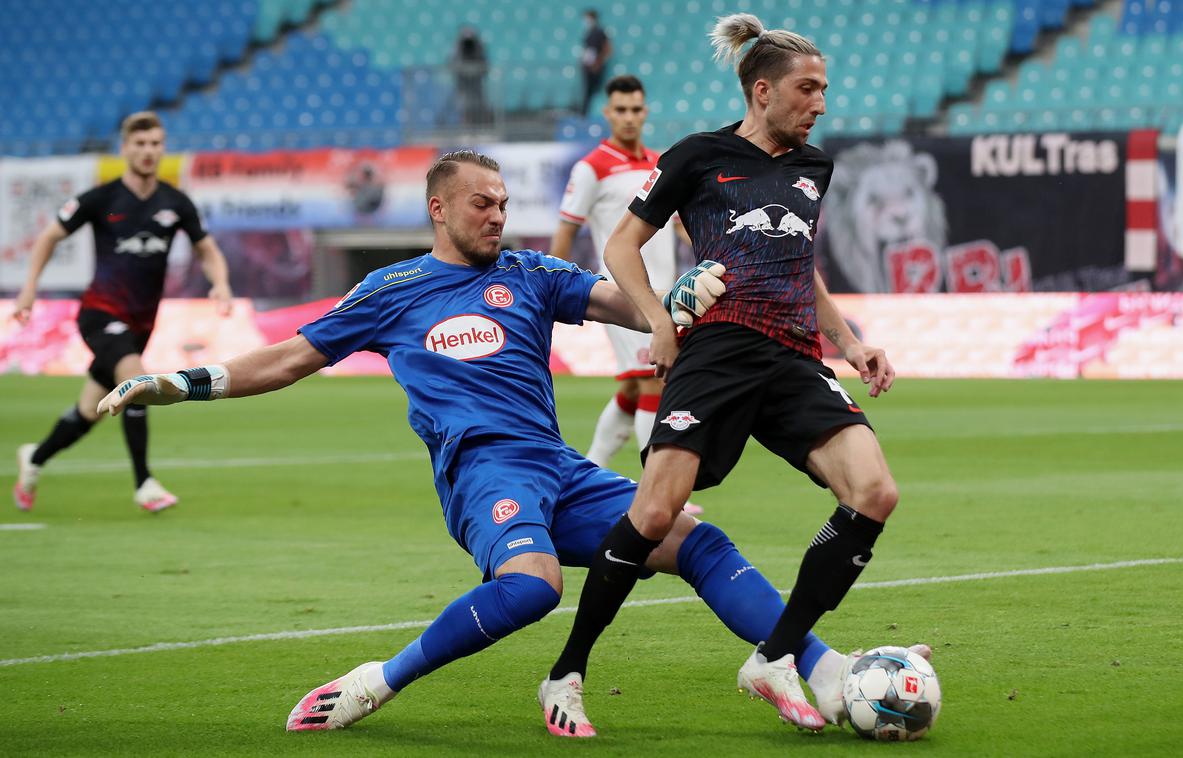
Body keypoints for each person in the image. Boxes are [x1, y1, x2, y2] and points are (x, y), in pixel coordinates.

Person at [96, 150, 857, 738]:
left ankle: (822, 669)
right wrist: (184, 382)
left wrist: (670, 304)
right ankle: (376, 681)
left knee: (697, 539)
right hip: (483, 472)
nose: (497, 216)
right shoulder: (391, 292)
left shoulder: (531, 272)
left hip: (558, 469)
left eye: (502, 203)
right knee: (534, 587)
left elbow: (616, 302)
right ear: (439, 209)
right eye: (481, 204)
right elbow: (289, 358)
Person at [539, 13, 908, 734]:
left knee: (875, 492)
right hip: (715, 353)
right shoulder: (698, 157)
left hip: (795, 356)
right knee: (651, 516)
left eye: (826, 89)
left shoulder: (815, 167)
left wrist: (850, 341)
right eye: (809, 89)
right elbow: (621, 248)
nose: (821, 103)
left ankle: (773, 656)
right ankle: (566, 671)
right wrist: (658, 320)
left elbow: (804, 266)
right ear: (762, 90)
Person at [11, 111, 232, 513]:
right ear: (125, 148)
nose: (148, 152)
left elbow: (207, 249)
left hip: (140, 323)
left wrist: (220, 282)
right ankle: (144, 482)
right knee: (136, 380)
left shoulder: (175, 202)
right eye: (140, 144)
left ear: (163, 148)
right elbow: (49, 236)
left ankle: (35, 458)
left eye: (155, 144)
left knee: (88, 411)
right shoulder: (101, 199)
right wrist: (28, 291)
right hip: (99, 312)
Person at [550, 75, 698, 508]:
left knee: (635, 389)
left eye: (636, 109)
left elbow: (680, 226)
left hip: (666, 293)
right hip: (623, 294)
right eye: (621, 110)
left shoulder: (659, 162)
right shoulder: (591, 167)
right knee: (656, 381)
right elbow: (566, 230)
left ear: (645, 111)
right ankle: (661, 492)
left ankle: (587, 471)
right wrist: (551, 289)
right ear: (608, 113)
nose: (629, 117)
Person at [450, 25, 489, 127]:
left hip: (476, 83)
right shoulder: (458, 48)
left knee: (478, 104)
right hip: (463, 83)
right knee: (463, 105)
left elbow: (484, 65)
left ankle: (481, 126)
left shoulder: (478, 48)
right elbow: (454, 63)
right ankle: (465, 125)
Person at [578, 9, 611, 115]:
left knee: (596, 90)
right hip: (587, 66)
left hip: (596, 67)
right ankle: (585, 114)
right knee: (587, 92)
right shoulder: (588, 32)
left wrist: (598, 62)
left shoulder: (600, 32)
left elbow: (607, 49)